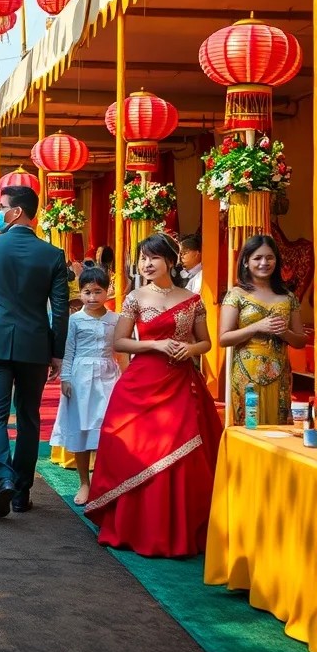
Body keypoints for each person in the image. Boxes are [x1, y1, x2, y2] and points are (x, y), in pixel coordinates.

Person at [85, 233, 222, 557]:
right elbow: (120, 343)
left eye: (153, 257)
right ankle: (135, 528)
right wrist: (156, 344)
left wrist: (189, 348)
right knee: (136, 450)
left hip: (180, 383)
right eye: (143, 257)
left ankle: (179, 532)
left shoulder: (192, 299)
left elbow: (206, 342)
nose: (146, 263)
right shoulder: (135, 298)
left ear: (170, 262)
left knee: (184, 455)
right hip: (141, 383)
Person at [0, 186, 69, 519]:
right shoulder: (52, 254)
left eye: (1, 206)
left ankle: (3, 478)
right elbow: (60, 309)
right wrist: (57, 352)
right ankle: (22, 492)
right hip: (34, 344)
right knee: (29, 417)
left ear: (17, 211)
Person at [50, 267, 121, 506]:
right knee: (81, 428)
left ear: (107, 291)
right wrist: (66, 378)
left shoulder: (116, 319)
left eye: (98, 292)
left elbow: (122, 352)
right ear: (80, 293)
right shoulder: (75, 320)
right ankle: (84, 482)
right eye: (87, 292)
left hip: (108, 376)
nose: (92, 298)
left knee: (105, 429)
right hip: (80, 377)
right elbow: (68, 352)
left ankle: (104, 482)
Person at [219, 234, 306, 426]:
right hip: (246, 375)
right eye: (257, 258)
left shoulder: (288, 297)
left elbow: (300, 341)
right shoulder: (236, 294)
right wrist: (256, 326)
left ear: (277, 260)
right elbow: (224, 339)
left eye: (269, 257)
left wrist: (285, 333)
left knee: (278, 428)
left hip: (280, 373)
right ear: (245, 262)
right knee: (250, 426)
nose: (264, 263)